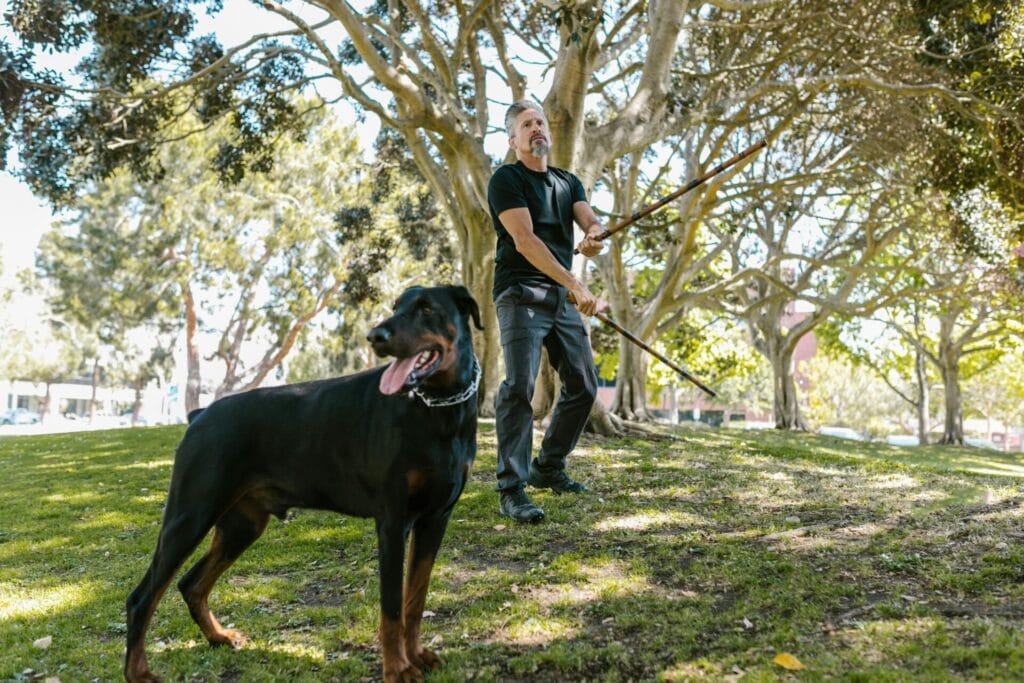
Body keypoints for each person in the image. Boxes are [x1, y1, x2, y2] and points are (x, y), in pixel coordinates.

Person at [487, 99, 605, 524]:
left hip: (558, 296)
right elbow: (525, 241)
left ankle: (547, 467)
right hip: (520, 292)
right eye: (526, 124)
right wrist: (575, 283)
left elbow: (589, 220)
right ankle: (511, 488)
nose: (536, 128)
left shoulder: (567, 182)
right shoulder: (506, 179)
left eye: (540, 122)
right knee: (519, 386)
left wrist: (593, 235)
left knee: (584, 385)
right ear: (513, 139)